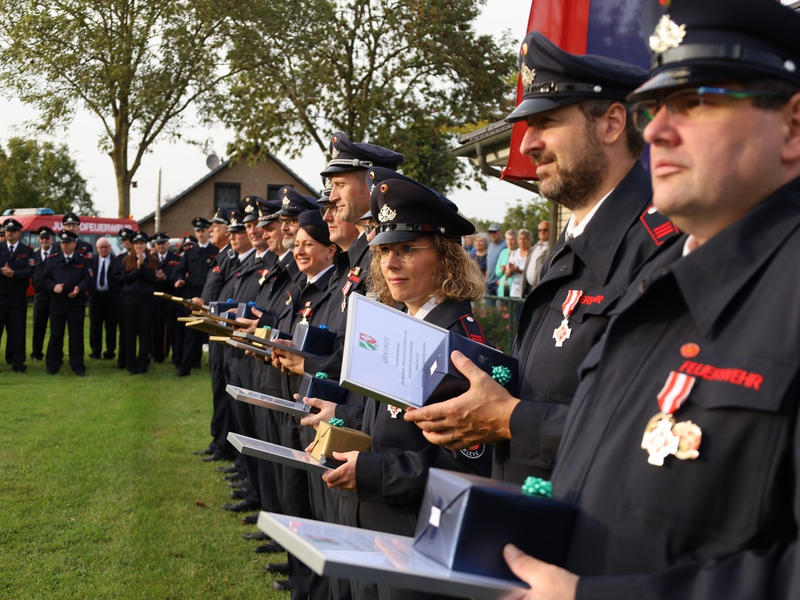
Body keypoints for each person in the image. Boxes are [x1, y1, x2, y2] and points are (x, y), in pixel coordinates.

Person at [502, 1, 800, 597]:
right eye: (655, 105)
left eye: (696, 102)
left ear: (792, 127)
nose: (657, 129)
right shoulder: (658, 276)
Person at [405, 31, 678, 484]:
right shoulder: (572, 247)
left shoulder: (659, 249)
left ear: (612, 124)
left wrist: (510, 419)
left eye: (546, 122)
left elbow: (655, 428)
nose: (527, 144)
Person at [313, 174, 489, 600]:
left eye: (407, 250)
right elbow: (394, 424)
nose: (390, 263)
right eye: (385, 250)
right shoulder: (407, 326)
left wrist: (371, 471)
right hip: (376, 526)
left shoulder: (457, 344)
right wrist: (341, 420)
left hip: (413, 539)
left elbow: (466, 470)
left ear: (446, 257)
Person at [43, 230, 92, 376]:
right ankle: (53, 364)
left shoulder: (82, 259)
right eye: (63, 242)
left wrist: (79, 288)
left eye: (68, 242)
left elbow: (88, 279)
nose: (65, 245)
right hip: (57, 303)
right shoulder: (52, 259)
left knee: (76, 335)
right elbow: (44, 279)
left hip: (76, 303)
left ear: (74, 244)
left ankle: (77, 364)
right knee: (56, 334)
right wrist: (53, 287)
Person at [175, 217, 219, 377]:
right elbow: (180, 270)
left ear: (208, 231)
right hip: (193, 297)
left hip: (211, 297)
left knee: (213, 333)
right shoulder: (189, 253)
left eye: (203, 231)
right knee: (191, 333)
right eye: (198, 231)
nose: (200, 234)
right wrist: (179, 279)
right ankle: (185, 367)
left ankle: (214, 368)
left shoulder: (215, 251)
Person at [0, 218, 35, 373]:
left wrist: (13, 273)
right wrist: (3, 272)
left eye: (13, 231)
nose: (10, 234)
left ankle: (18, 363)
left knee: (18, 331)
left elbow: (30, 271)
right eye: (7, 231)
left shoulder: (27, 251)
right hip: (1, 296)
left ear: (19, 232)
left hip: (17, 297)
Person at [120, 231, 158, 374]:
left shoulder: (152, 260)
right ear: (133, 245)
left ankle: (143, 366)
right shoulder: (126, 260)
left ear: (145, 245)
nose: (139, 246)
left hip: (145, 301)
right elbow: (125, 279)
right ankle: (131, 365)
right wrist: (137, 267)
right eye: (136, 244)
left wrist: (142, 266)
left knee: (144, 333)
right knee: (130, 333)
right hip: (129, 301)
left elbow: (151, 277)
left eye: (142, 243)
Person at [88, 237, 119, 360]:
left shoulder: (116, 261)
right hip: (96, 298)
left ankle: (110, 352)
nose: (104, 249)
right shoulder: (91, 261)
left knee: (111, 326)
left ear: (110, 247)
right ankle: (96, 351)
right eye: (101, 247)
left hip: (111, 298)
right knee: (95, 326)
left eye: (106, 247)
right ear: (97, 249)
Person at [31, 226, 56, 362]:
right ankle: (36, 353)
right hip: (40, 296)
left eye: (47, 238)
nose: (45, 240)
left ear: (52, 240)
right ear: (39, 240)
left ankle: (53, 354)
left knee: (55, 327)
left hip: (54, 296)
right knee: (38, 326)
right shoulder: (34, 256)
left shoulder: (57, 255)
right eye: (42, 238)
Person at [525, 220, 550, 293]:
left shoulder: (552, 248)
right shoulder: (534, 248)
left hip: (541, 289)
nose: (542, 232)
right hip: (529, 288)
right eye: (540, 230)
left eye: (545, 229)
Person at [484, 223, 506, 300]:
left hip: (499, 283)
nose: (492, 234)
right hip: (489, 283)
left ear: (501, 232)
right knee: (490, 310)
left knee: (501, 309)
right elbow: (488, 264)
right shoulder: (490, 246)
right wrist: (485, 280)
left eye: (494, 232)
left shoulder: (506, 244)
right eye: (491, 232)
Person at [495, 228, 518, 298]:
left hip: (515, 291)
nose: (509, 242)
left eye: (512, 240)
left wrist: (511, 270)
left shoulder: (520, 252)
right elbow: (497, 271)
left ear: (517, 240)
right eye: (507, 239)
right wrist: (502, 270)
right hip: (502, 290)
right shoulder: (503, 252)